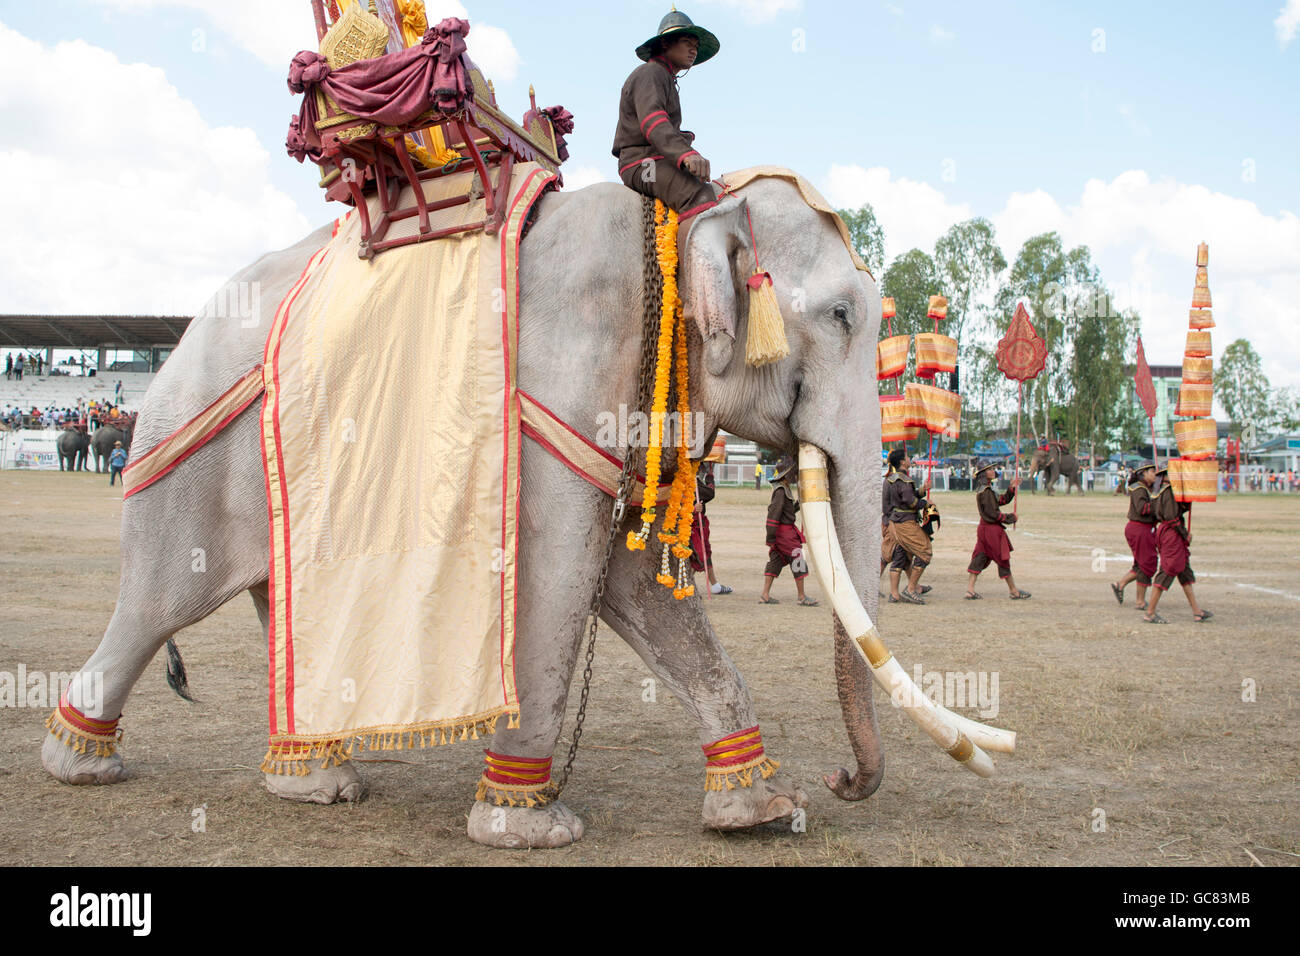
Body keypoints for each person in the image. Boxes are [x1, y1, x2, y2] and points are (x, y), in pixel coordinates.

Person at [612, 10, 720, 220]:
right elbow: (653, 122)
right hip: (641, 165)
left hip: (654, 159)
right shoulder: (650, 73)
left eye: (696, 46)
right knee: (700, 195)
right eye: (687, 42)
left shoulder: (665, 78)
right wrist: (686, 154)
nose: (693, 50)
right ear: (665, 44)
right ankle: (698, 255)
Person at [1143, 466, 1211, 623]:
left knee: (1184, 572)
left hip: (1170, 532)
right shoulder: (1168, 491)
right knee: (1168, 569)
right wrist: (1185, 535)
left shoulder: (1163, 490)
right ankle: (1150, 612)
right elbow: (1172, 517)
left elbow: (1177, 511)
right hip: (1171, 533)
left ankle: (1197, 611)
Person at [965, 459, 1031, 600]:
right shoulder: (985, 491)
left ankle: (970, 590)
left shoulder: (987, 489)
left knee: (980, 556)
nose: (993, 471)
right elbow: (993, 514)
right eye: (990, 469)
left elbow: (1001, 501)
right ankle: (1014, 591)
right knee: (1002, 558)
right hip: (991, 530)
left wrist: (1011, 488)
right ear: (984, 473)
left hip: (985, 528)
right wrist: (1010, 517)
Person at [758, 456, 817, 606]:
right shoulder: (780, 491)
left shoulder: (784, 489)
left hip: (783, 533)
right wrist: (770, 536)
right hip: (784, 534)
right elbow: (774, 514)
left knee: (776, 560)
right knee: (798, 559)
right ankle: (802, 596)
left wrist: (799, 503)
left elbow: (787, 511)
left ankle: (765, 595)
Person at [882, 448, 931, 604]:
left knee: (901, 557)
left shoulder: (890, 479)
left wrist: (923, 490)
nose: (910, 459)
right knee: (925, 552)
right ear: (903, 461)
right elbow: (911, 501)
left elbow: (908, 496)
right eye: (908, 457)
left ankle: (894, 594)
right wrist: (925, 503)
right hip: (905, 522)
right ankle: (911, 589)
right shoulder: (903, 480)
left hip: (894, 522)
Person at [1111, 461, 1157, 610]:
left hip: (1144, 529)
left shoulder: (1149, 488)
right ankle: (1140, 601)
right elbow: (1143, 509)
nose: (1155, 474)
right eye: (1152, 471)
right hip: (1139, 528)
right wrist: (1158, 503)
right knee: (1147, 564)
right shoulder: (1139, 488)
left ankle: (1120, 585)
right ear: (1143, 473)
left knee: (1140, 563)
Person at [690, 461, 732, 594]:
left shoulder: (694, 481)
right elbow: (710, 494)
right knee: (698, 555)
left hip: (699, 523)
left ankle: (715, 585)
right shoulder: (689, 482)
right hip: (690, 525)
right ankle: (688, 586)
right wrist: (710, 477)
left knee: (704, 553)